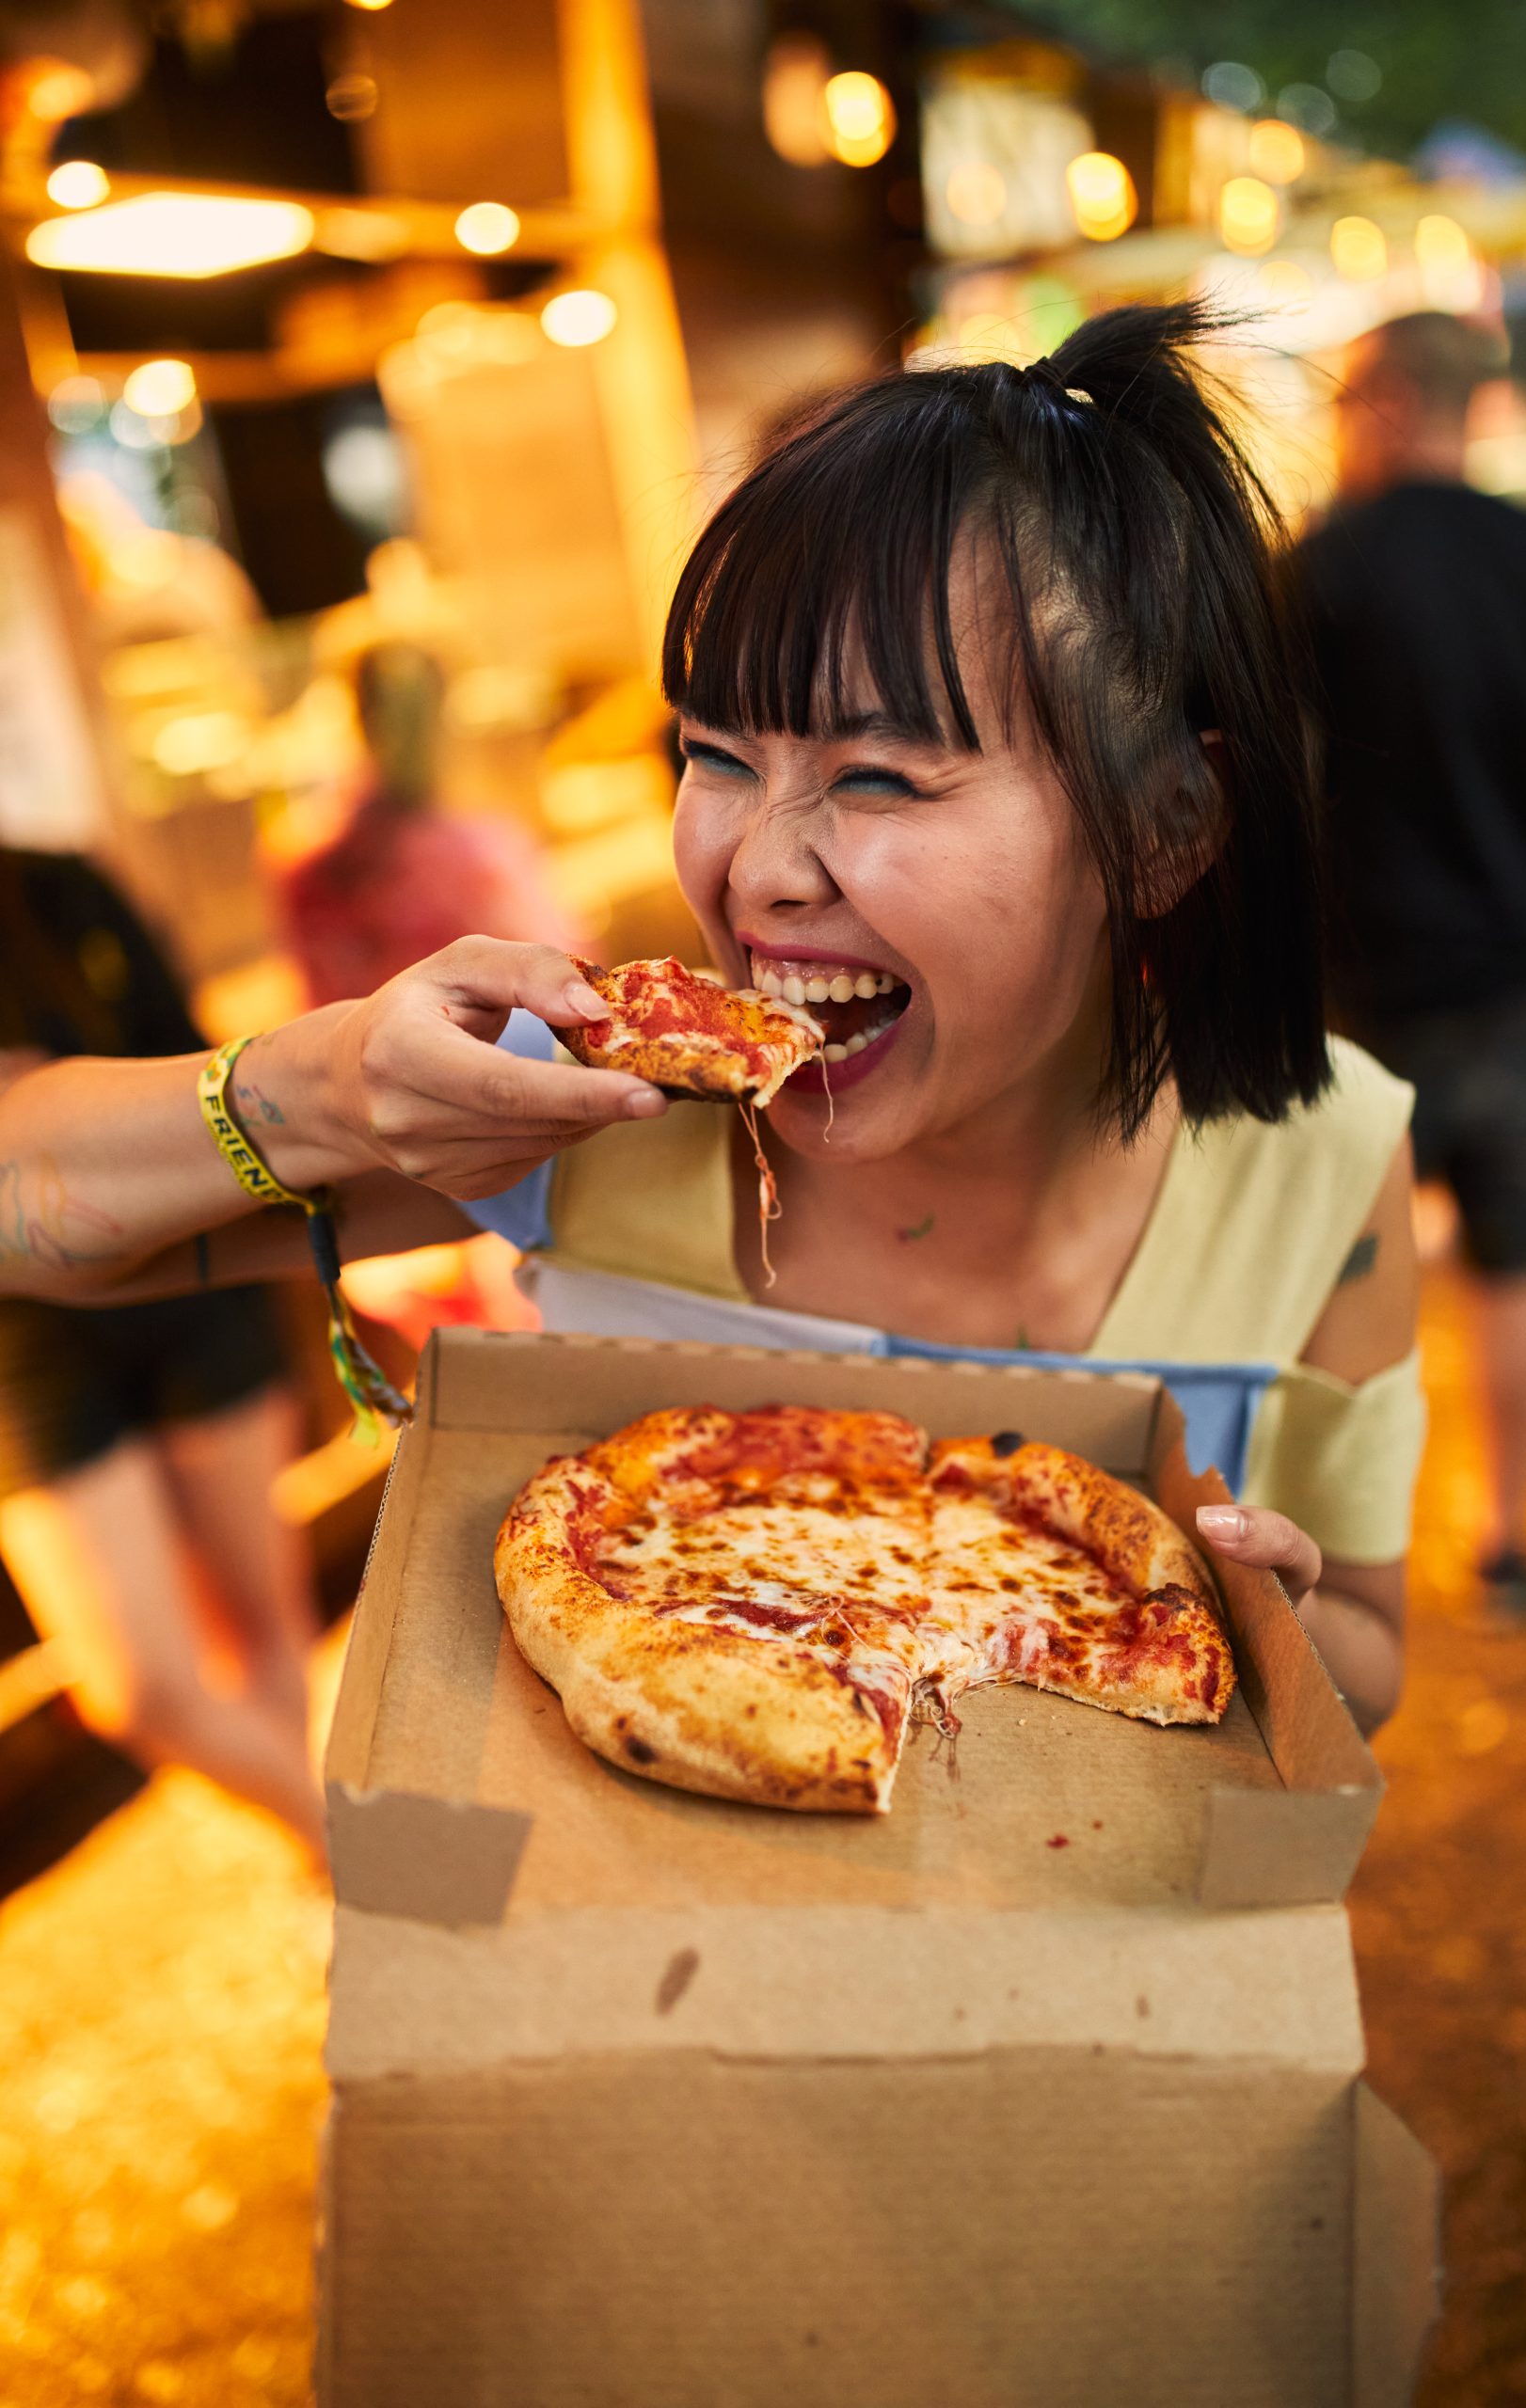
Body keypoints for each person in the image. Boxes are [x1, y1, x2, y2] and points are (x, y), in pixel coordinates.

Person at [0, 304, 1423, 1735]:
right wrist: (321, 1085)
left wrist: (1277, 1629)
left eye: (877, 776)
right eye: (716, 754)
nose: (753, 869)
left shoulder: (1326, 1154)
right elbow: (34, 1226)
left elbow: (1365, 1635)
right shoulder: (574, 1113)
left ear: (1165, 825)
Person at [1296, 309, 1526, 1619]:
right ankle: (1502, 1538)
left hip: (1355, 989)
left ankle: (1306, 1537)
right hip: (1511, 972)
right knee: (1512, 1260)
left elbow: (1269, 781)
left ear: (1374, 404)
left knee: (1325, 1272)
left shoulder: (1315, 567)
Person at [0, 848, 324, 1852]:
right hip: (21, 1347)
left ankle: (339, 1888)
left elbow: (192, 1070)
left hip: (185, 1286)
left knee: (263, 1635)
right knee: (136, 1689)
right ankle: (380, 1862)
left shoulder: (62, 892)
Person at [276, 640, 580, 1006]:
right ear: (446, 713)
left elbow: (319, 1009)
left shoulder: (302, 860)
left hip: (361, 1054)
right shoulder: (483, 852)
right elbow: (566, 976)